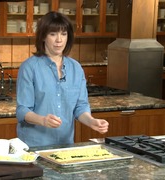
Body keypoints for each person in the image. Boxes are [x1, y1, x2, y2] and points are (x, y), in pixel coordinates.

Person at [16, 11, 109, 147]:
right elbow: (22, 110)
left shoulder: (76, 68)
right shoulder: (29, 67)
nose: (59, 40)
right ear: (43, 37)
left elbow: (80, 106)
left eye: (63, 34)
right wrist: (42, 120)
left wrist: (91, 121)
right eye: (53, 34)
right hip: (34, 145)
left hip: (65, 145)